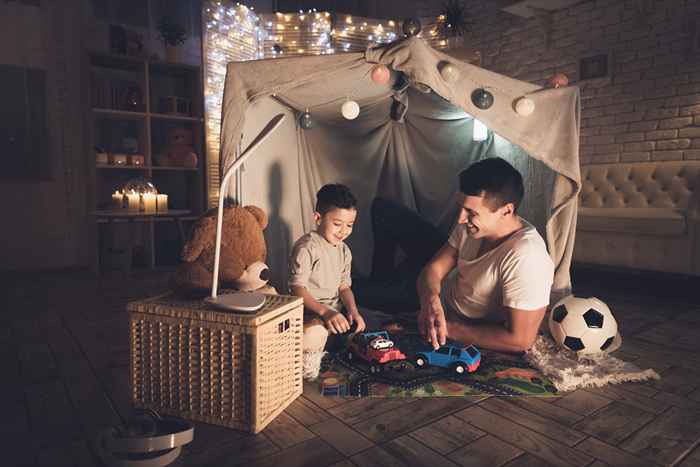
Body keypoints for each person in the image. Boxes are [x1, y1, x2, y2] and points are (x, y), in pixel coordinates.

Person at [416, 157, 554, 352]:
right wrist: (430, 299)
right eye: (461, 208)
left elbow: (520, 340)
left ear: (506, 211)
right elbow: (434, 269)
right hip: (443, 305)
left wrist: (448, 329)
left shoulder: (527, 255)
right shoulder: (470, 227)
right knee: (385, 209)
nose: (461, 219)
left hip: (463, 327)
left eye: (471, 212)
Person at [289, 184, 367, 379]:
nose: (343, 231)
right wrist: (324, 312)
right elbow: (297, 288)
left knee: (365, 327)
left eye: (349, 225)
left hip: (335, 310)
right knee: (314, 332)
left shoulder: (343, 250)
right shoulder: (307, 247)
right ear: (318, 218)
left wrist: (353, 311)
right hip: (311, 311)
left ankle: (336, 345)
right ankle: (313, 357)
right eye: (337, 223)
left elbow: (344, 286)